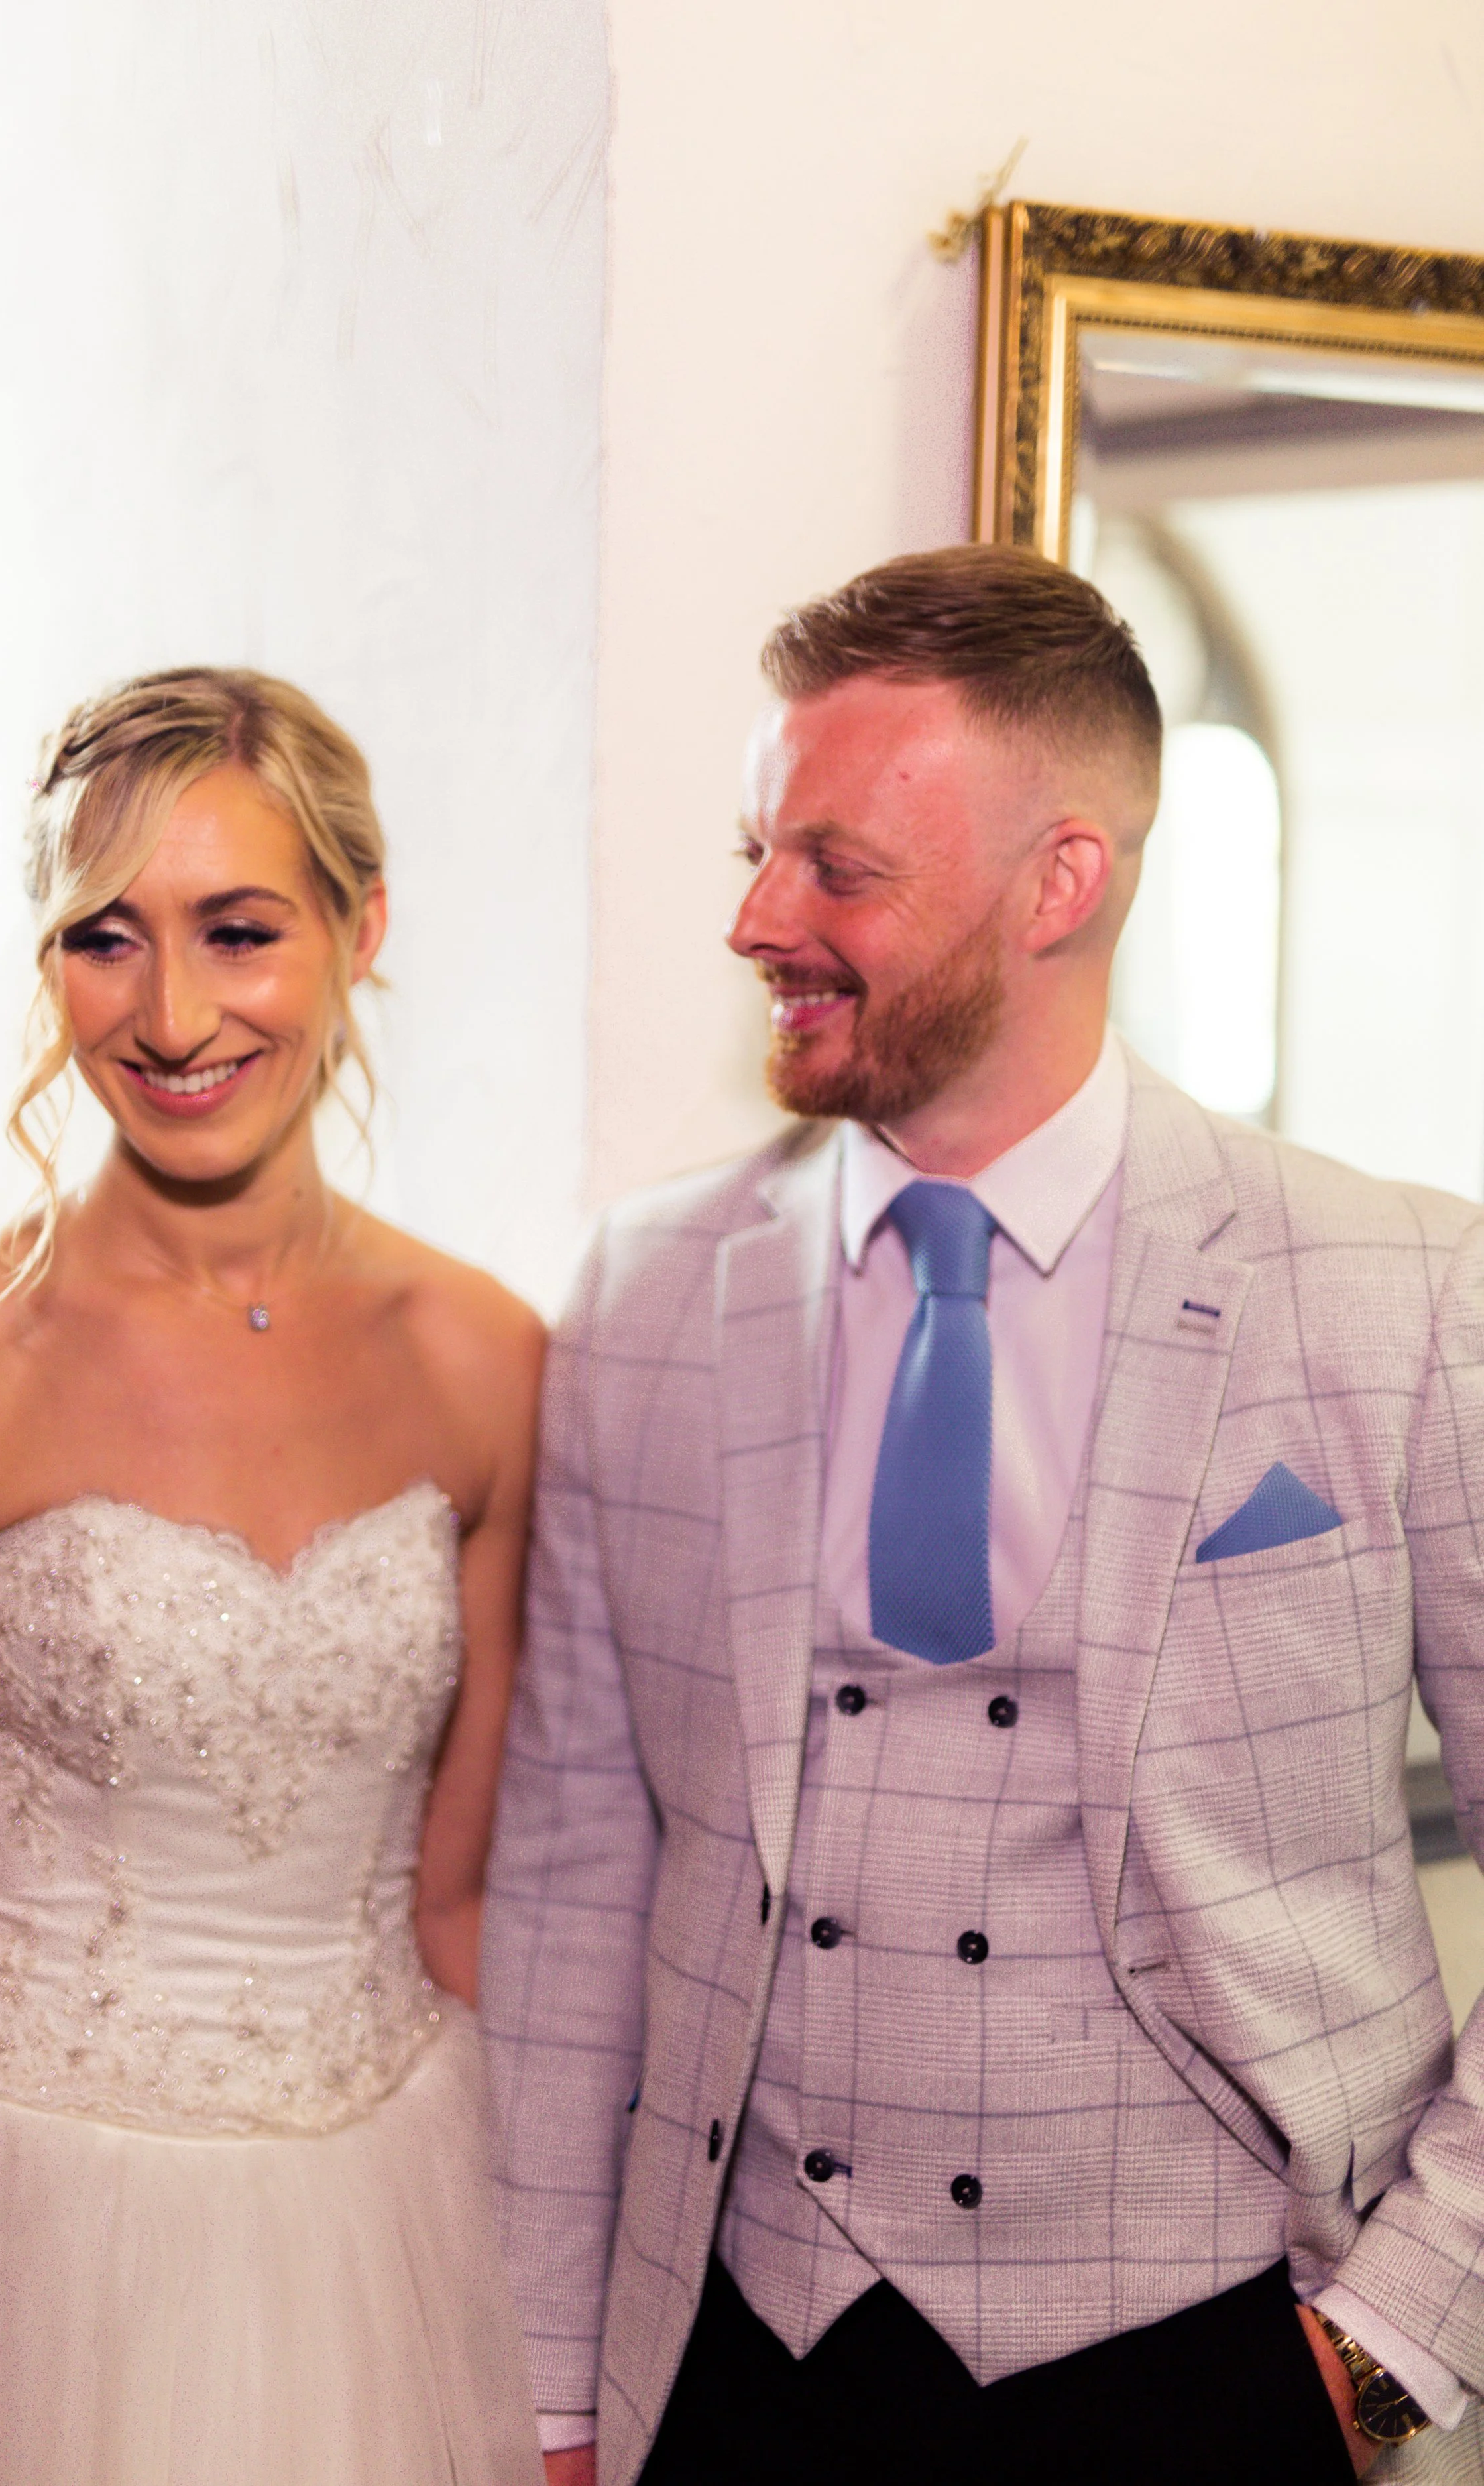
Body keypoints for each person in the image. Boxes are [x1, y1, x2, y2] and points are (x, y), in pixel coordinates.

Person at [481, 545, 1484, 2485]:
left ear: (1059, 882)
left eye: (836, 866)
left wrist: (1389, 2347)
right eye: (757, 852)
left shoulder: (1402, 1292)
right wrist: (551, 2393)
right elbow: (576, 1867)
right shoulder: (647, 1291)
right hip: (738, 2364)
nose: (757, 919)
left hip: (1218, 2362)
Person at [0, 669, 547, 2485]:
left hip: (391, 2242)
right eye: (106, 938)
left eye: (239, 929)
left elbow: (465, 1908)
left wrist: (551, 2362)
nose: (172, 1013)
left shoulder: (484, 1357)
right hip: (22, 2261)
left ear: (358, 930)